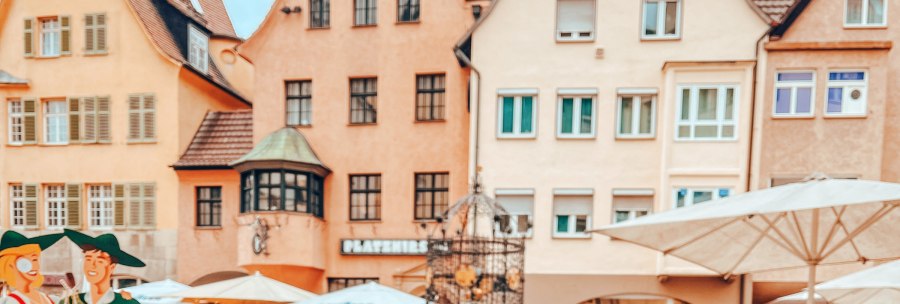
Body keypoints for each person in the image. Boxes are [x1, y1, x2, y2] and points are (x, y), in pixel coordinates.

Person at [59, 229, 145, 304]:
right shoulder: (69, 302)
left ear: (112, 267)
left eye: (100, 261)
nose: (92, 265)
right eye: (88, 259)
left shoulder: (127, 303)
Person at [0, 231, 65, 304]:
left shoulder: (50, 299)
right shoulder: (12, 301)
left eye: (35, 259)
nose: (34, 266)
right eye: (25, 262)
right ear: (10, 265)